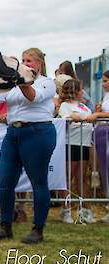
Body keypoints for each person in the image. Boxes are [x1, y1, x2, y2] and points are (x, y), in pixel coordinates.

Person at [0, 48, 56, 244]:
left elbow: (33, 97)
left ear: (39, 63)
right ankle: (5, 227)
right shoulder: (14, 85)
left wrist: (20, 78)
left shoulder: (47, 82)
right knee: (5, 181)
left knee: (38, 182)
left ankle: (38, 229)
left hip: (37, 133)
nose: (25, 63)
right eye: (23, 60)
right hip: (13, 133)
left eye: (29, 60)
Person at [58, 79, 95, 223]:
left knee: (82, 178)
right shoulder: (64, 106)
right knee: (68, 178)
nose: (83, 92)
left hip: (84, 144)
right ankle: (65, 210)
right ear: (75, 91)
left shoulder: (85, 107)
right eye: (81, 89)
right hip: (71, 144)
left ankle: (86, 210)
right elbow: (65, 121)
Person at [87, 70, 109, 223]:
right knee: (105, 170)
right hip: (102, 133)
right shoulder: (106, 95)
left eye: (106, 80)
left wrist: (98, 115)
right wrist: (99, 111)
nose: (104, 84)